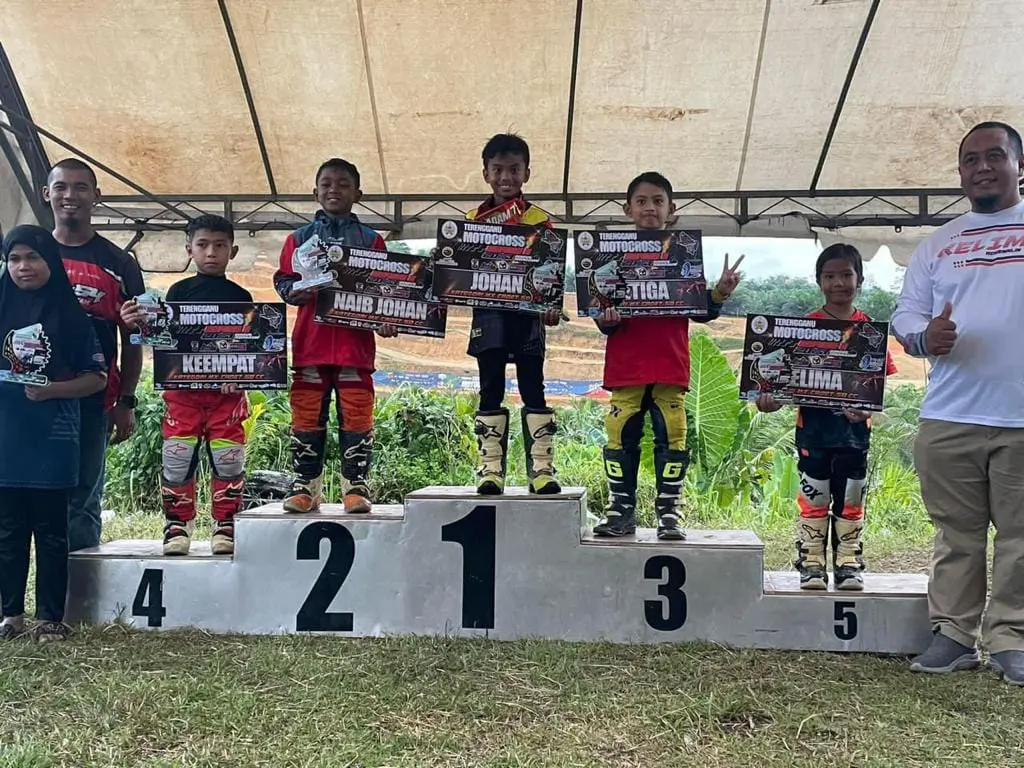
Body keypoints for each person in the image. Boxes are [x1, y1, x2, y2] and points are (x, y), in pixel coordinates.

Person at [892, 120, 1024, 685]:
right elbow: (905, 317)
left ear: (1021, 164)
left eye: (995, 156)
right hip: (950, 415)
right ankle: (952, 633)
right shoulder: (939, 243)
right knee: (956, 535)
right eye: (971, 160)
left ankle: (1012, 637)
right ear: (961, 174)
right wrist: (926, 339)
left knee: (1021, 536)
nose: (982, 167)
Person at [591, 172, 741, 540]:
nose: (650, 208)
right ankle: (620, 511)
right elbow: (600, 315)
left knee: (672, 436)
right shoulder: (608, 257)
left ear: (671, 210)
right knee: (619, 435)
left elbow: (700, 310)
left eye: (658, 201)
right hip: (626, 367)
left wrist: (719, 292)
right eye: (641, 201)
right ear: (628, 209)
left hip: (670, 366)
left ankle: (670, 513)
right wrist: (605, 318)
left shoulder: (683, 253)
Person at [755, 244, 897, 590]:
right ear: (819, 281)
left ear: (859, 279)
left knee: (851, 497)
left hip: (855, 435)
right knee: (814, 496)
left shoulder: (871, 334)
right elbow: (779, 383)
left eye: (846, 275)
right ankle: (812, 561)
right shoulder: (803, 330)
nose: (838, 283)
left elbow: (882, 387)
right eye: (830, 276)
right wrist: (768, 399)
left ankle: (849, 561)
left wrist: (870, 407)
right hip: (813, 432)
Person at [120, 215, 251, 555]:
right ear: (188, 249)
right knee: (177, 459)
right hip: (183, 396)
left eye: (220, 246)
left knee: (229, 461)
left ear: (232, 251)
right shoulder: (176, 293)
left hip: (227, 399)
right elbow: (162, 341)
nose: (211, 253)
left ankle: (226, 526)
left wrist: (237, 377)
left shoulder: (242, 296)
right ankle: (177, 526)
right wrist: (140, 322)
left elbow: (250, 350)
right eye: (203, 245)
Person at [0, 225, 107, 641]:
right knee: (7, 531)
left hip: (53, 438)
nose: (23, 267)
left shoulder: (73, 316)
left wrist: (52, 391)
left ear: (51, 261)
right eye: (14, 259)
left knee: (50, 530)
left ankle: (49, 618)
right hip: (6, 439)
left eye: (32, 258)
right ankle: (11, 615)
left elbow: (96, 378)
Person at [273, 158, 396, 515]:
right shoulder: (297, 239)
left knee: (357, 415)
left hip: (355, 348)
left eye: (343, 184)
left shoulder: (373, 240)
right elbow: (283, 280)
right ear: (315, 192)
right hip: (311, 344)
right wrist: (294, 291)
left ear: (359, 193)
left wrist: (387, 318)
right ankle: (305, 487)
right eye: (326, 184)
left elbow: (384, 291)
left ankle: (355, 488)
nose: (334, 190)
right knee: (306, 416)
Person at [45, 158, 145, 551]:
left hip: (95, 399)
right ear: (46, 193)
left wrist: (127, 401)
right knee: (29, 497)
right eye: (61, 187)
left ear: (96, 197)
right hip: (34, 399)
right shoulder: (28, 255)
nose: (70, 195)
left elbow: (135, 338)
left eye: (81, 187)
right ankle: (34, 597)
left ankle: (79, 600)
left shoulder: (119, 263)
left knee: (84, 498)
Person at [466, 133, 562, 496]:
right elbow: (458, 272)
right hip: (488, 317)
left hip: (527, 319)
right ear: (486, 173)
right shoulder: (472, 219)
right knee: (490, 389)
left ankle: (541, 470)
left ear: (527, 173)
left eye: (514, 169)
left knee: (533, 388)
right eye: (498, 169)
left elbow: (551, 271)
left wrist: (551, 306)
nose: (506, 177)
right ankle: (490, 472)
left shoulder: (539, 219)